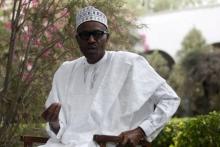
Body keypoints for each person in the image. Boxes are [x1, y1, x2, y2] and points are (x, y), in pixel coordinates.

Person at [39, 6, 180, 147]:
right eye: (85, 35)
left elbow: (170, 99)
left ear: (107, 37)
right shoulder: (65, 71)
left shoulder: (129, 63)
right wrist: (54, 122)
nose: (91, 40)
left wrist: (141, 131)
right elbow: (59, 130)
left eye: (98, 33)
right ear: (77, 39)